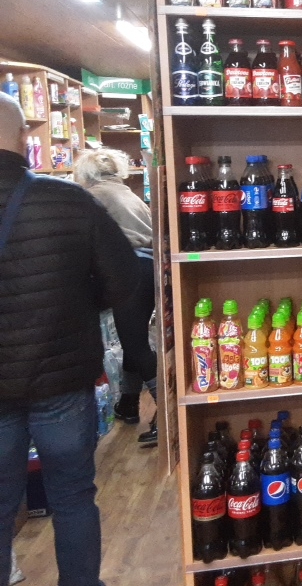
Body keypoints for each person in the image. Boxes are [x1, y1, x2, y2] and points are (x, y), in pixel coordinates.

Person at [0, 92, 139, 586]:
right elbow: (123, 279)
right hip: (61, 376)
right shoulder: (67, 200)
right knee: (73, 496)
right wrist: (79, 303)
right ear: (25, 138)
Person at [75, 149, 158, 446]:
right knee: (132, 338)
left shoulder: (92, 196)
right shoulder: (127, 193)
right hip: (149, 268)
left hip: (127, 270)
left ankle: (167, 413)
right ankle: (128, 402)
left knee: (135, 345)